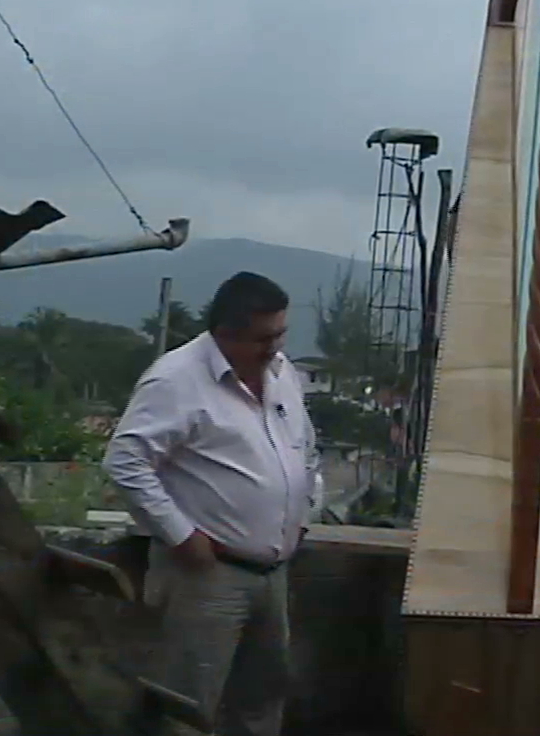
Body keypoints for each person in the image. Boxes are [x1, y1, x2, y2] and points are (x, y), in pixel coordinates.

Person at [103, 273, 324, 736]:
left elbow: (304, 449)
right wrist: (180, 536)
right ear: (225, 333)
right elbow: (126, 461)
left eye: (280, 333)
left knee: (261, 702)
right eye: (263, 338)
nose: (274, 347)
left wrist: (304, 513)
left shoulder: (283, 374)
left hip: (272, 574)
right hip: (206, 576)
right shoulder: (176, 379)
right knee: (187, 707)